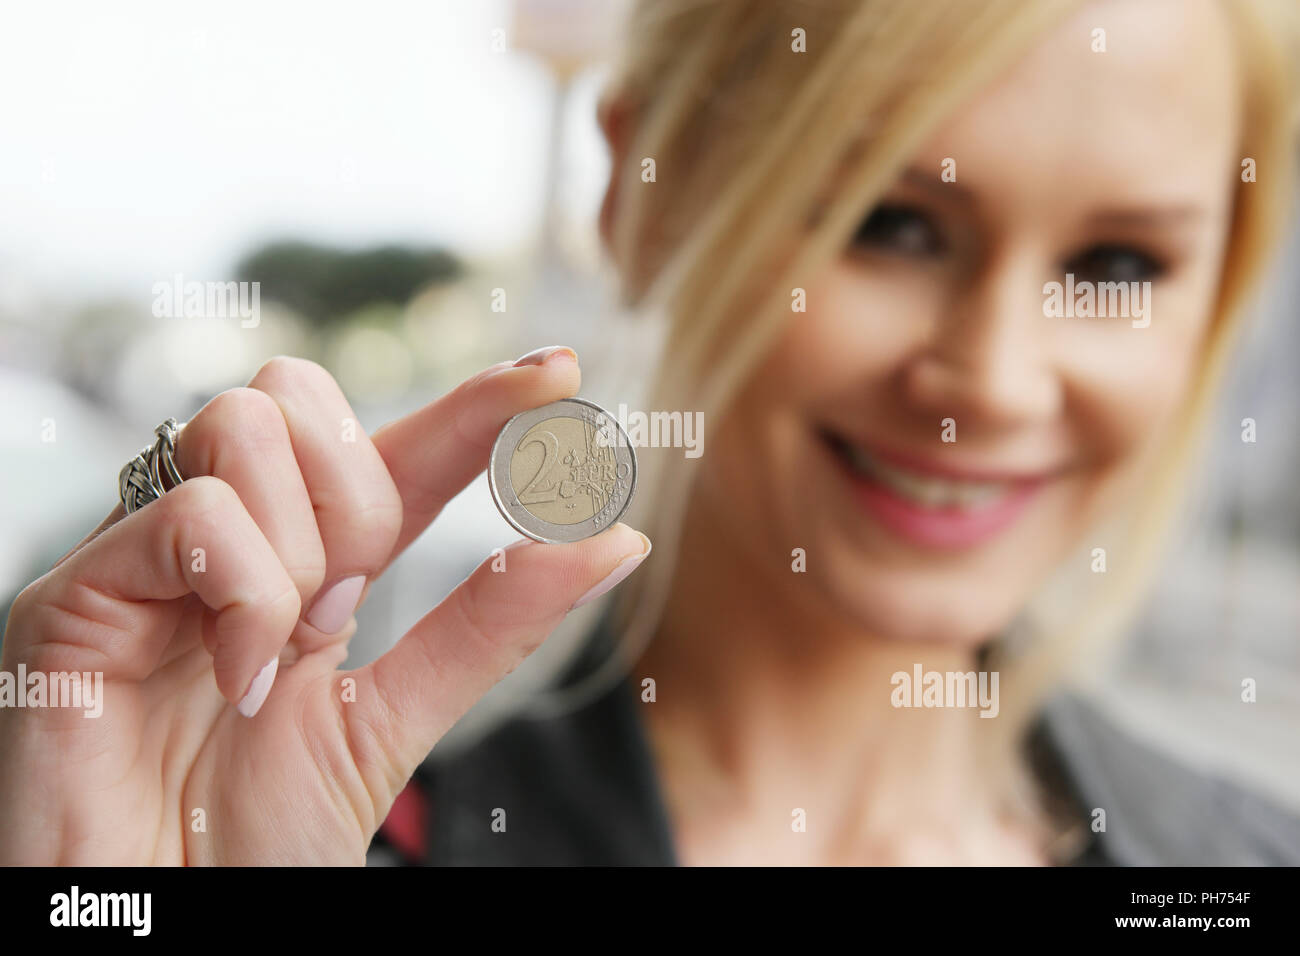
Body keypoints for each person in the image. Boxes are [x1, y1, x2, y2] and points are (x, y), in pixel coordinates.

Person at [3, 0, 1299, 866]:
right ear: (642, 197)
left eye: (1119, 262)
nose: (1000, 380)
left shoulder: (1248, 856)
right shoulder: (330, 835)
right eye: (890, 223)